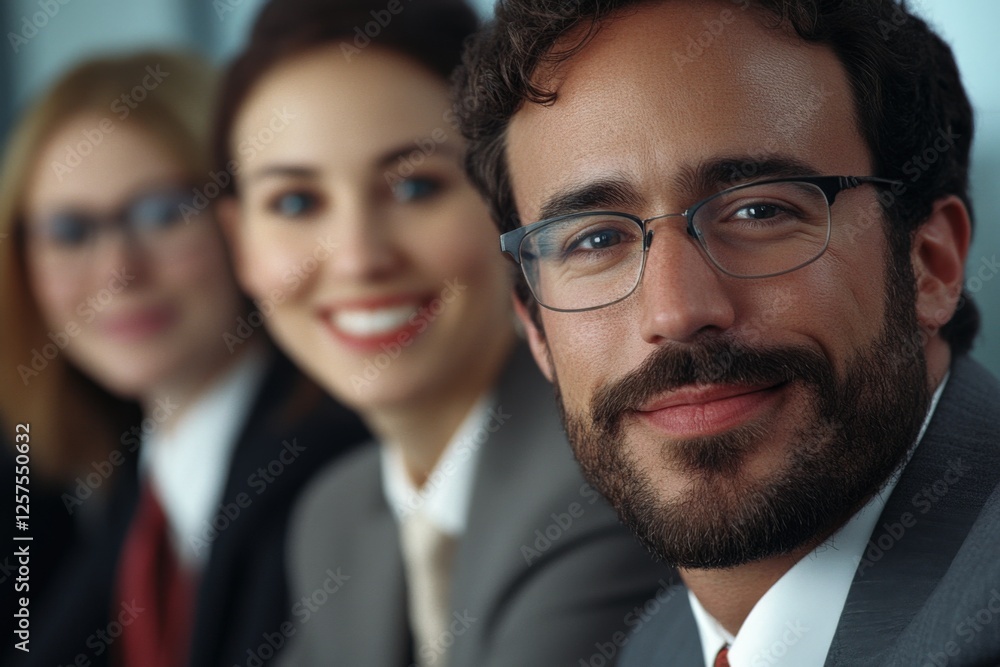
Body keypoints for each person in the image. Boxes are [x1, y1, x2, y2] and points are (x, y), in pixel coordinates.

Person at [455, 0, 1000, 665]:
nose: (676, 312)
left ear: (930, 263)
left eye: (759, 210)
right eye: (595, 239)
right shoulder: (660, 645)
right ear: (536, 330)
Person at [214, 0, 672, 665]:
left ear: (509, 197)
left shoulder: (601, 477)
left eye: (414, 188)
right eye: (295, 202)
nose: (358, 257)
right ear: (240, 244)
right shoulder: (336, 514)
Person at [0, 50, 367, 667]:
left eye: (163, 213)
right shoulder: (131, 491)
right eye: (69, 231)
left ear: (246, 218)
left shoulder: (331, 468)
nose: (118, 272)